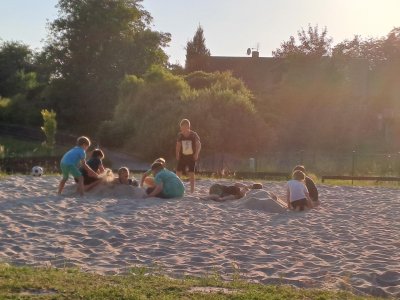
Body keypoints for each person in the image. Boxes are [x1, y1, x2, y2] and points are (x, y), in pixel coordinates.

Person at [176, 119, 201, 193]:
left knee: (191, 172)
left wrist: (196, 153)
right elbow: (178, 145)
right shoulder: (180, 135)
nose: (182, 130)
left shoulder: (193, 135)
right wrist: (177, 154)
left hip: (191, 156)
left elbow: (199, 145)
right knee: (178, 171)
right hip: (182, 156)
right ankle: (177, 187)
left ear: (188, 127)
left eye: (183, 128)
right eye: (181, 128)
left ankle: (192, 190)